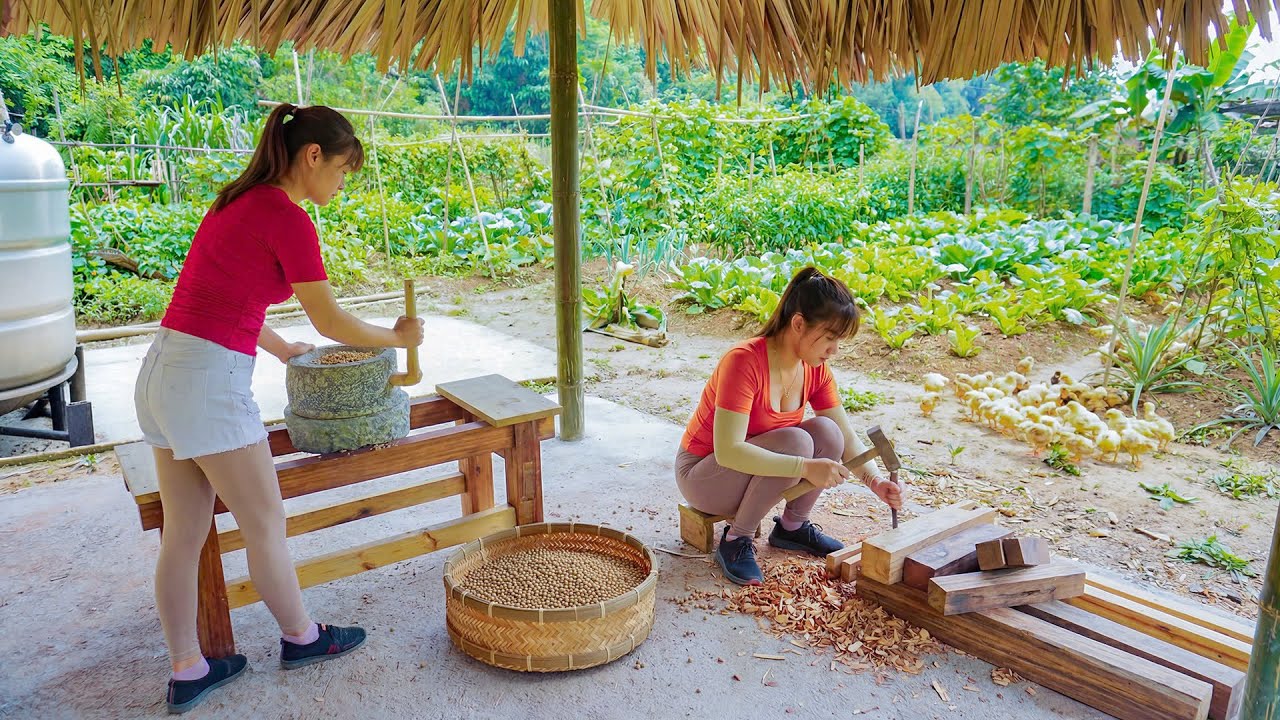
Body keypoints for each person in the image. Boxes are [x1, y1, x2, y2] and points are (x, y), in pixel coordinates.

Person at [133, 103, 425, 714]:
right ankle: (302, 638)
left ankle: (188, 668)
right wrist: (398, 340)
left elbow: (216, 298)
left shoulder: (237, 200)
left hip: (163, 376)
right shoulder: (287, 216)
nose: (341, 184)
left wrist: (279, 346)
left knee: (184, 534)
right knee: (265, 523)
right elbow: (330, 318)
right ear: (312, 156)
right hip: (208, 389)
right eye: (342, 170)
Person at [675, 266, 906, 586]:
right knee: (797, 442)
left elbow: (845, 436)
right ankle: (735, 539)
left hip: (752, 475)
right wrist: (805, 466)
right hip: (704, 476)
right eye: (829, 338)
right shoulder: (743, 361)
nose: (834, 350)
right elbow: (728, 452)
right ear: (798, 324)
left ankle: (792, 527)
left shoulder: (815, 369)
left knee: (828, 432)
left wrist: (876, 482)